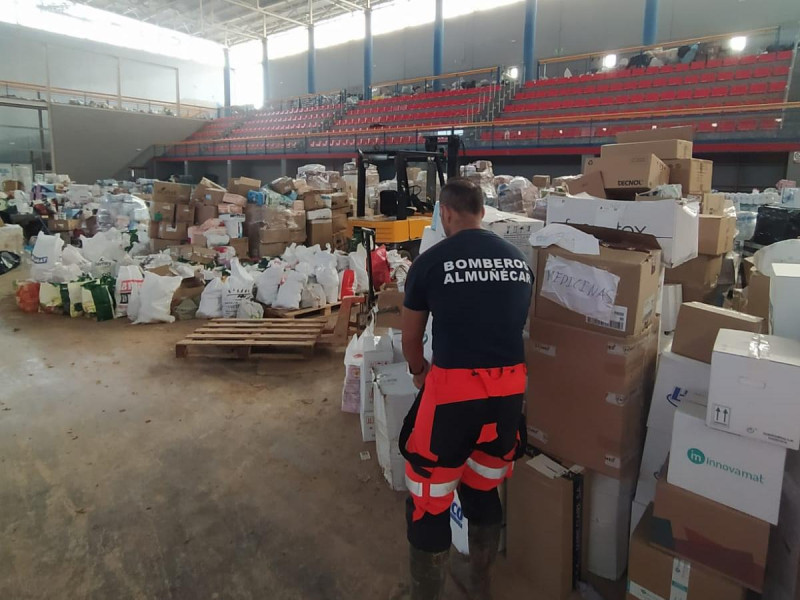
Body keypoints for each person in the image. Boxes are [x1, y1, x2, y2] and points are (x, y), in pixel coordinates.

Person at [396, 178, 533, 600]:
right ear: (483, 212)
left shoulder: (431, 261)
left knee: (428, 498)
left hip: (453, 398)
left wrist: (419, 372)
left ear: (447, 212)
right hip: (509, 396)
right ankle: (480, 582)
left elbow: (411, 337)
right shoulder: (518, 261)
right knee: (482, 486)